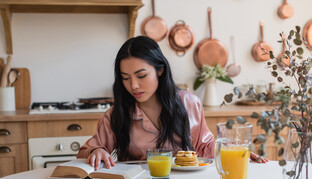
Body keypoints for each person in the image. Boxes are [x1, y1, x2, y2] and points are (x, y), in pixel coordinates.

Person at [77, 36, 215, 170]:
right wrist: (96, 151)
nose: (133, 85)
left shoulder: (189, 103)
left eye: (141, 76)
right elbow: (86, 150)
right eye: (125, 78)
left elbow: (207, 151)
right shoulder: (116, 114)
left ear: (160, 70)